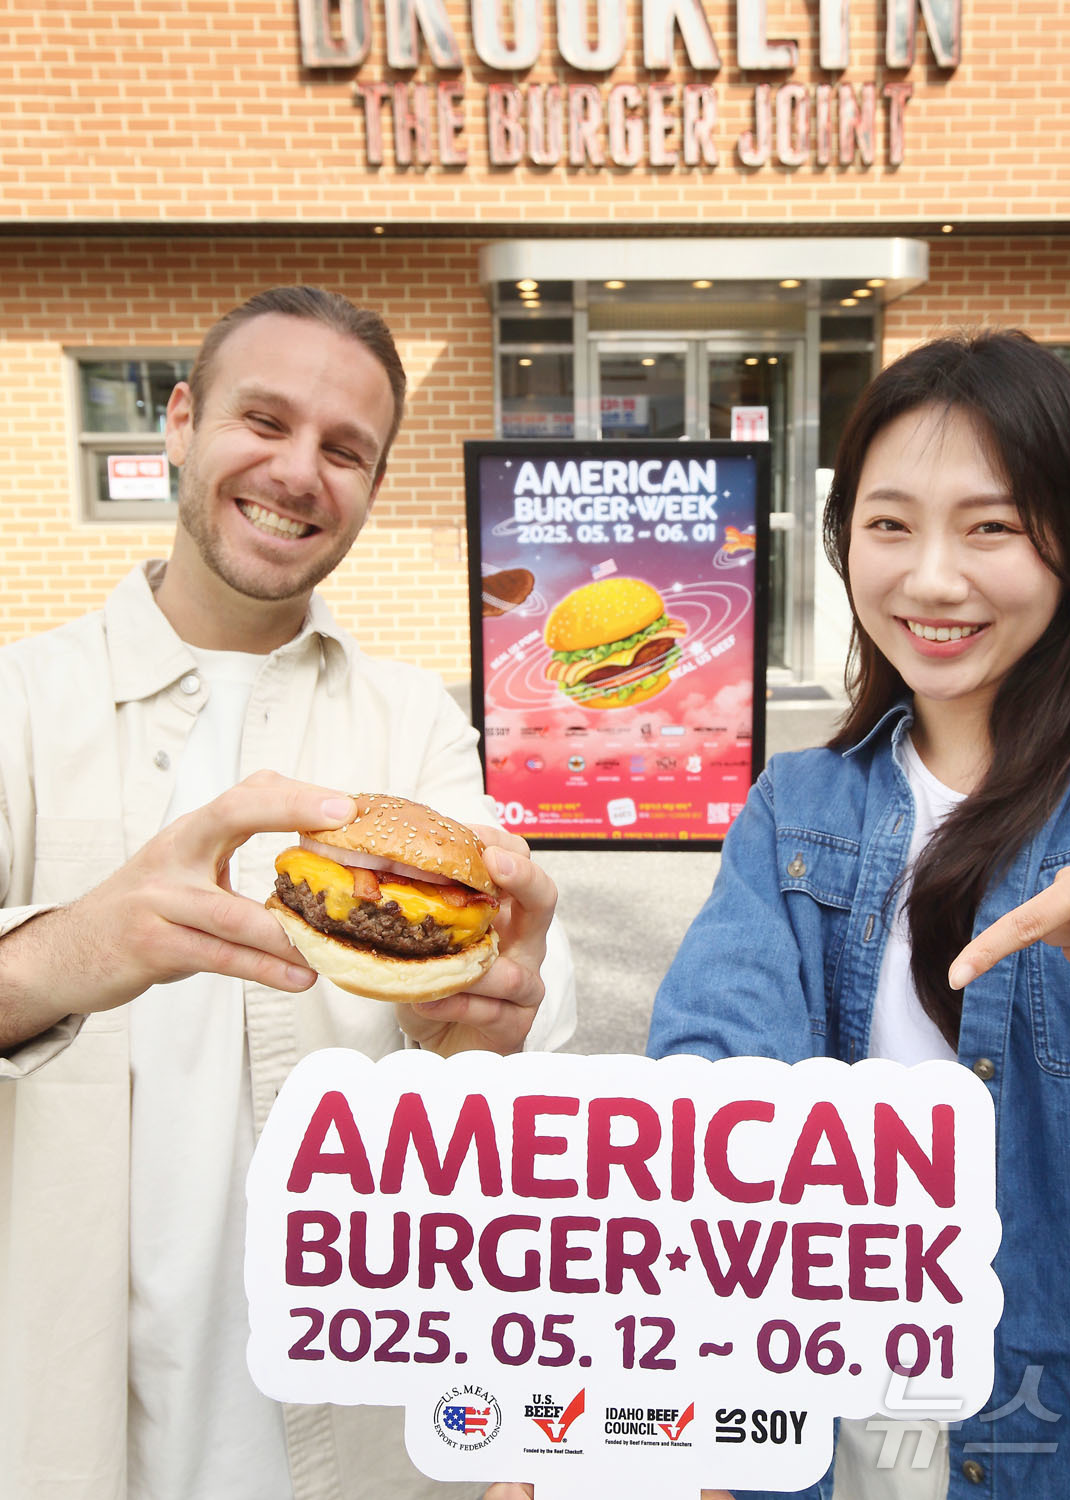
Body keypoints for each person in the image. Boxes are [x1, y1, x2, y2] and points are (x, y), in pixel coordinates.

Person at [646, 330, 1070, 1499]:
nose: (931, 579)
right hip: (839, 1437)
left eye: (989, 526)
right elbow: (708, 1091)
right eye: (888, 525)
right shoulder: (796, 808)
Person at [0, 285, 575, 1500]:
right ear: (179, 423)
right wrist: (65, 953)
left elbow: (484, 1050)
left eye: (345, 448)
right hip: (70, 1418)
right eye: (263, 421)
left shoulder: (413, 717)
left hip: (358, 1425)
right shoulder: (19, 706)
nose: (298, 471)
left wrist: (490, 1012)